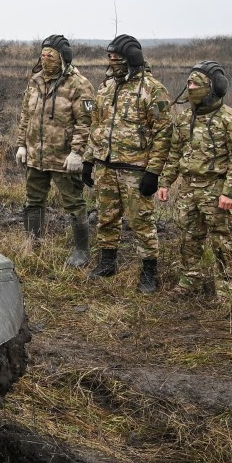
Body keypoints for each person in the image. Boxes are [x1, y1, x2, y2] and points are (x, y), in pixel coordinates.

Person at [82, 34, 171, 293]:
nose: (113, 63)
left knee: (142, 221)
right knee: (106, 218)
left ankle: (149, 272)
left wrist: (153, 172)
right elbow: (96, 126)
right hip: (105, 166)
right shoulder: (106, 87)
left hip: (135, 169)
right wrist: (89, 160)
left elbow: (163, 134)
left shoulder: (152, 89)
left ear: (131, 59)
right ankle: (107, 262)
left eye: (117, 59)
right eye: (110, 59)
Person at [158, 61, 232, 301]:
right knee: (189, 237)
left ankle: (228, 290)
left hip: (216, 189)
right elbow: (174, 153)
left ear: (212, 87)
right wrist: (166, 183)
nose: (189, 88)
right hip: (188, 188)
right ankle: (190, 280)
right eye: (188, 83)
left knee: (222, 240)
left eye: (195, 84)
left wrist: (229, 193)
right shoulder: (184, 118)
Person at [15, 35, 95, 267]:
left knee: (74, 203)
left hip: (63, 158)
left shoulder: (79, 84)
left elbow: (86, 122)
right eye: (43, 54)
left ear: (63, 57)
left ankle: (82, 250)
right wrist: (22, 145)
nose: (45, 58)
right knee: (33, 201)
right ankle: (33, 244)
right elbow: (26, 115)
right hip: (36, 156)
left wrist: (77, 153)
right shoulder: (35, 81)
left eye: (51, 54)